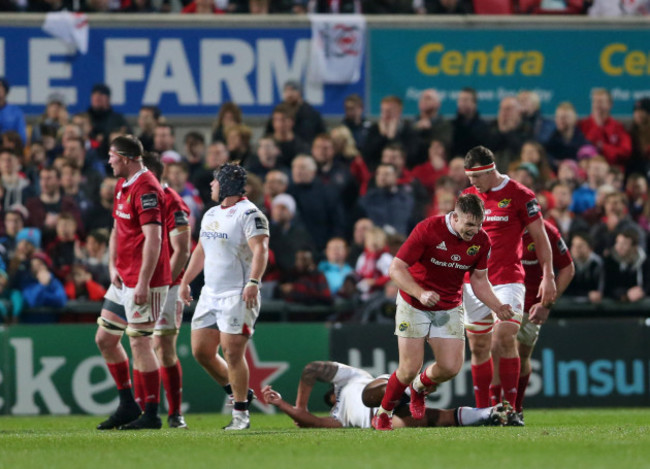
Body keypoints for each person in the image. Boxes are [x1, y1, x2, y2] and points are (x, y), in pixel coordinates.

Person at [372, 194, 515, 431]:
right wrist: (420, 293)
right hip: (414, 303)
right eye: (470, 224)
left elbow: (479, 281)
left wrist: (498, 306)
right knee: (408, 369)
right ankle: (384, 413)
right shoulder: (428, 229)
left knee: (450, 367)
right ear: (455, 217)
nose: (474, 230)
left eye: (479, 224)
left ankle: (418, 388)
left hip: (449, 305)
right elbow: (396, 268)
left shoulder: (481, 240)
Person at [462, 146, 556, 421]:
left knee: (504, 337)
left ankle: (512, 409)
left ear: (490, 170)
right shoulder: (468, 197)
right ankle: (483, 412)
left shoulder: (520, 194)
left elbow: (540, 237)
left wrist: (548, 274)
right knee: (478, 347)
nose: (472, 183)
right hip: (474, 281)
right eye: (469, 178)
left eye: (476, 177)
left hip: (507, 279)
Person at [180, 163, 269, 431]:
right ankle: (239, 392)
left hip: (237, 294)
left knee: (232, 352)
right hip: (210, 293)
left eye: (215, 181)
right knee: (201, 351)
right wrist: (185, 281)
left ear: (227, 185)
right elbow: (200, 251)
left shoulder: (250, 214)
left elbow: (261, 249)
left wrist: (254, 281)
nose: (211, 185)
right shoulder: (210, 214)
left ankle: (240, 413)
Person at [95, 135, 171, 431]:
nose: (109, 161)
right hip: (123, 277)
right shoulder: (122, 185)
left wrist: (142, 282)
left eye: (112, 156)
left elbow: (154, 239)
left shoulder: (147, 187)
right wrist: (113, 264)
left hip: (145, 280)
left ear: (125, 158)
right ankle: (128, 404)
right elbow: (117, 228)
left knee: (140, 342)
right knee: (105, 339)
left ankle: (151, 413)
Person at [262, 360, 511, 429]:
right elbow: (313, 423)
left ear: (330, 393)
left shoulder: (350, 379)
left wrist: (300, 407)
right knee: (436, 419)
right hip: (384, 421)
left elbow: (311, 369)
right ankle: (491, 412)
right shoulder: (339, 417)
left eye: (328, 397)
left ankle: (411, 385)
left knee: (369, 397)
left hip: (379, 393)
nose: (330, 400)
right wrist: (281, 405)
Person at [141, 153, 192, 429]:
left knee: (163, 346)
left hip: (167, 286)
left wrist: (164, 283)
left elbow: (182, 250)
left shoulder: (173, 202)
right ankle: (143, 408)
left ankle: (175, 413)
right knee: (140, 344)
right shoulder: (135, 196)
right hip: (140, 281)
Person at [514, 220, 574, 422]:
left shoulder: (547, 231)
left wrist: (546, 304)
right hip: (500, 301)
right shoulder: (498, 226)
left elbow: (567, 268)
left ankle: (515, 408)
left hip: (530, 306)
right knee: (497, 352)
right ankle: (492, 405)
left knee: (521, 356)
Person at [0, 78, 27, 144]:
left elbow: (22, 137)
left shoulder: (15, 111)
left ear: (5, 90)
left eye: (0, 86)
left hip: (10, 148)